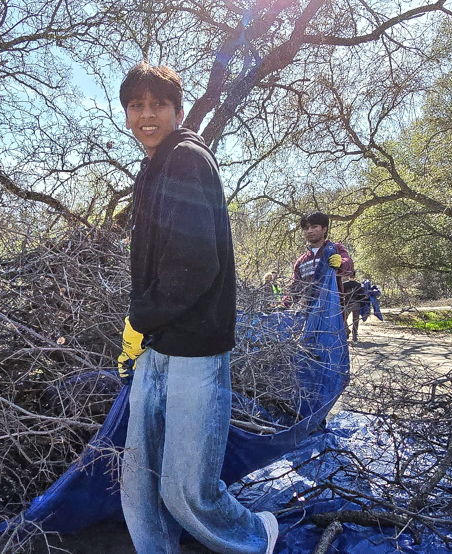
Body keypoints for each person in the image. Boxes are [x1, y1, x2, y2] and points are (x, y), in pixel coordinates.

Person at [115, 62, 278, 554]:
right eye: (136, 105)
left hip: (194, 349)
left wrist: (139, 320)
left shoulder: (185, 159)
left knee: (187, 488)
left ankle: (257, 536)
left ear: (177, 110)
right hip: (157, 345)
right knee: (139, 482)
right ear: (125, 114)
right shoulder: (153, 168)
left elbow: (195, 264)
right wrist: (142, 330)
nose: (147, 114)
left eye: (157, 104)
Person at [284, 212, 357, 337]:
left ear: (324, 229)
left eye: (314, 226)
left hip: (333, 315)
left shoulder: (335, 249)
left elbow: (349, 266)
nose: (309, 231)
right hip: (309, 314)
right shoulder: (302, 261)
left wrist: (341, 264)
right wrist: (283, 305)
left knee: (333, 353)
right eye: (306, 228)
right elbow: (295, 288)